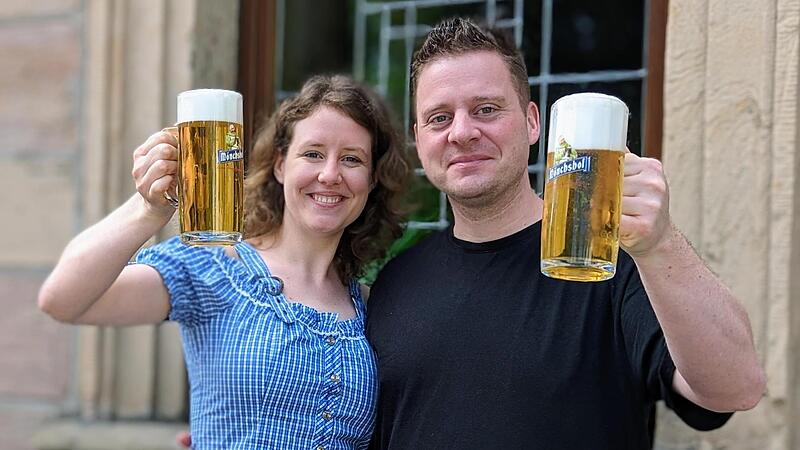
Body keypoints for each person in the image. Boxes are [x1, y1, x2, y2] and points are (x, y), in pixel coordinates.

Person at [364, 17, 766, 449]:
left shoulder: (612, 263)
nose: (462, 132)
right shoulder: (396, 281)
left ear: (533, 123)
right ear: (419, 139)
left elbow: (735, 388)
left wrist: (661, 243)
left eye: (486, 109)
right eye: (440, 117)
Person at [38, 75, 409, 449]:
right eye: (312, 153)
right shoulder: (216, 270)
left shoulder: (370, 306)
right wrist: (148, 210)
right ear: (281, 165)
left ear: (372, 179)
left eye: (351, 159)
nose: (330, 175)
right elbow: (64, 299)